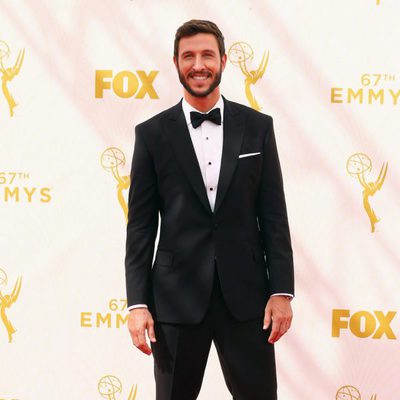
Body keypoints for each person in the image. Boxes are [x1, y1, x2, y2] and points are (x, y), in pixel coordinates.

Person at [125, 19, 294, 400]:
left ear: (223, 60)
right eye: (188, 56)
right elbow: (139, 227)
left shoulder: (257, 127)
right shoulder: (150, 134)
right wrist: (137, 303)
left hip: (248, 299)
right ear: (175, 63)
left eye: (206, 55)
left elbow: (274, 216)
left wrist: (282, 291)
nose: (198, 65)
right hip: (175, 301)